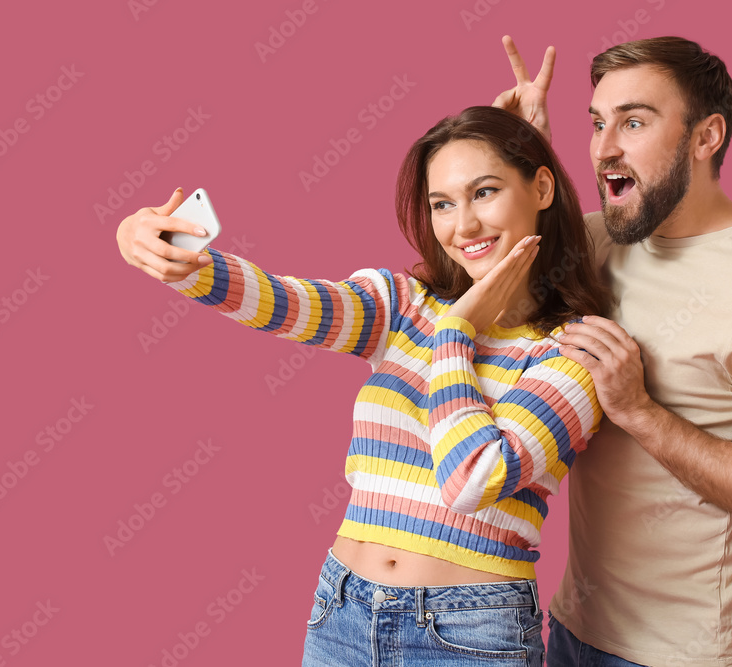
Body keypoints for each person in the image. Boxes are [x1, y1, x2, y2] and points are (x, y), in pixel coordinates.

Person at [115, 105, 611, 665]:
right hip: (342, 611)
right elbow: (286, 304)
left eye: (485, 193)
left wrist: (456, 332)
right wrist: (184, 262)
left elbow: (472, 478)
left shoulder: (574, 353)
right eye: (442, 204)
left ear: (541, 187)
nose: (463, 226)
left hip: (471, 632)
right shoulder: (401, 305)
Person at [492, 36, 732, 667]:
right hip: (573, 630)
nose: (603, 148)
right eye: (596, 123)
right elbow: (487, 267)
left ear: (707, 137)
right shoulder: (599, 241)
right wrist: (518, 152)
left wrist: (640, 410)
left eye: (634, 122)